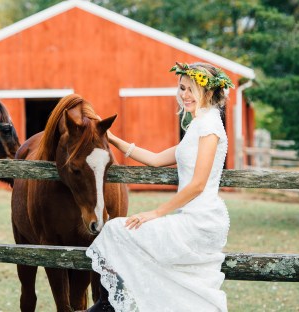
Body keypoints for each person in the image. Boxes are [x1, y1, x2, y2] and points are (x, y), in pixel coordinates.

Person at [85, 62, 234, 312]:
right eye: (181, 88)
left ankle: (108, 305)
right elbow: (155, 159)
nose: (184, 95)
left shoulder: (210, 127)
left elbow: (198, 185)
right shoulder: (198, 125)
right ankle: (112, 304)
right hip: (191, 216)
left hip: (202, 220)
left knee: (116, 229)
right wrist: (109, 137)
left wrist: (155, 213)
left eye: (190, 89)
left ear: (207, 92)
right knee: (118, 231)